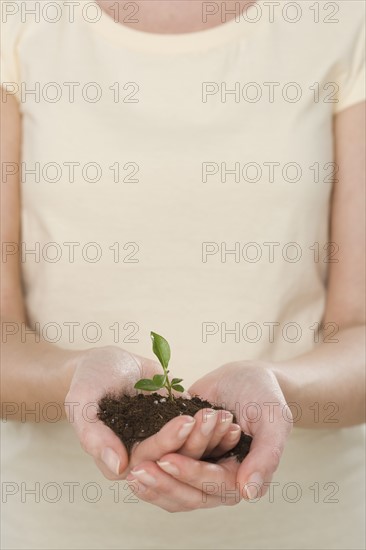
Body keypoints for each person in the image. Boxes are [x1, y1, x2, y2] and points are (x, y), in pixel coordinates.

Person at [1, 1, 365, 548]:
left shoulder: (343, 19)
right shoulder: (19, 20)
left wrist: (278, 393)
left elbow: (359, 330)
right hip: (53, 527)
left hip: (309, 525)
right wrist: (73, 377)